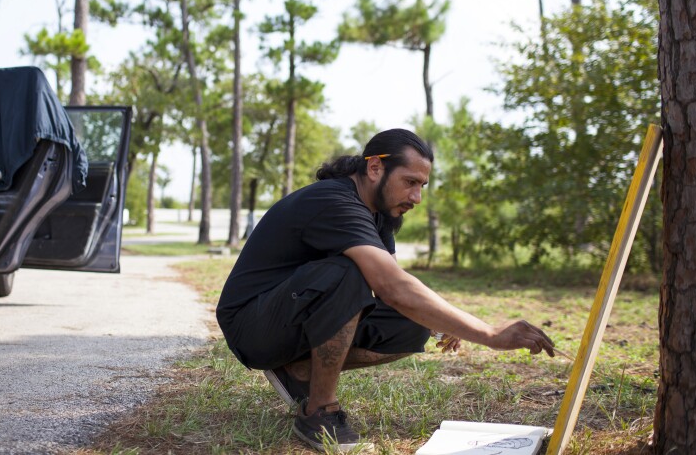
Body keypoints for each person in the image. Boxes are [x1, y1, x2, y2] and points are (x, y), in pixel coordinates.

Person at [215, 128, 556, 453]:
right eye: (410, 182)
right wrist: (489, 333)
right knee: (349, 271)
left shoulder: (378, 214)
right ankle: (318, 412)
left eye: (422, 185)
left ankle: (297, 370)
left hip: (292, 317)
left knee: (413, 325)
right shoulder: (334, 201)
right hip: (252, 324)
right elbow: (389, 285)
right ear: (375, 167)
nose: (416, 197)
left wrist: (446, 322)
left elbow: (395, 282)